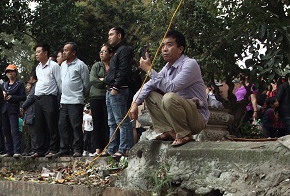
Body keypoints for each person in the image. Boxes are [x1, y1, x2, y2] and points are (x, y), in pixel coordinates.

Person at [130, 30, 209, 147]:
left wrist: (149, 69)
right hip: (178, 116)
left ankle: (184, 134)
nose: (164, 49)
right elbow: (149, 85)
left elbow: (172, 87)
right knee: (150, 95)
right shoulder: (167, 68)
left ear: (180, 49)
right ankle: (169, 131)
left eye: (169, 45)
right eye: (163, 46)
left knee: (169, 97)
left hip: (196, 117)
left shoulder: (190, 64)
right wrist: (135, 102)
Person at [105, 27, 134, 157]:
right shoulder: (115, 52)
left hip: (119, 89)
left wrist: (116, 87)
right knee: (112, 122)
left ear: (119, 35)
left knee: (121, 120)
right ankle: (112, 148)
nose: (109, 37)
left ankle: (125, 148)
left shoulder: (125, 50)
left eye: (112, 34)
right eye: (109, 35)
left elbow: (123, 70)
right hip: (110, 89)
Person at [56, 42, 89, 157]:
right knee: (63, 125)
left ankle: (77, 149)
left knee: (76, 126)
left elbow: (86, 84)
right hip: (64, 100)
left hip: (75, 100)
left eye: (67, 50)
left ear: (73, 52)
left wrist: (79, 95)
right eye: (63, 50)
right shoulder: (63, 65)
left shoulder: (81, 65)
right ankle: (64, 148)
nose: (64, 52)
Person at [30, 43, 61, 158]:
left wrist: (59, 100)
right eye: (36, 52)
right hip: (38, 99)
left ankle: (53, 149)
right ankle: (40, 149)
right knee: (39, 125)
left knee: (51, 124)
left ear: (45, 53)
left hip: (50, 98)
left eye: (39, 52)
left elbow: (59, 83)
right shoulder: (38, 68)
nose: (36, 54)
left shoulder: (54, 66)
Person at [89, 43, 111, 156]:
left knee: (108, 122)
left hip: (109, 96)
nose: (102, 53)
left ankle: (108, 147)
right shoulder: (96, 66)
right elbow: (92, 80)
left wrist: (104, 79)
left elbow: (114, 79)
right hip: (96, 97)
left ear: (110, 53)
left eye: (105, 51)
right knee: (97, 122)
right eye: (101, 52)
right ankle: (98, 148)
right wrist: (105, 82)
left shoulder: (113, 65)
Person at [1, 64, 26, 157]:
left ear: (15, 72)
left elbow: (23, 96)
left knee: (15, 130)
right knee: (6, 130)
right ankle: (9, 150)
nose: (10, 74)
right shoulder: (4, 84)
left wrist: (12, 97)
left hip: (13, 109)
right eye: (8, 72)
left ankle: (17, 150)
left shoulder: (19, 84)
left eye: (12, 71)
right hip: (4, 109)